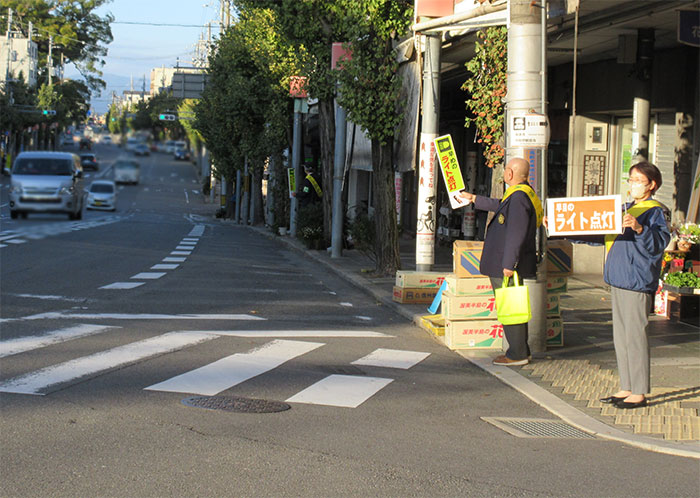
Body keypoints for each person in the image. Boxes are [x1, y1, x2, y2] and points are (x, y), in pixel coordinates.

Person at [459, 157, 543, 366]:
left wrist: (508, 264)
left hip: (506, 265)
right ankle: (520, 350)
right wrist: (473, 199)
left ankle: (517, 354)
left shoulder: (519, 198)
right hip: (508, 262)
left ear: (510, 174)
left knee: (511, 307)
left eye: (506, 170)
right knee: (513, 306)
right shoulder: (521, 194)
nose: (504, 173)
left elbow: (516, 233)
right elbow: (499, 205)